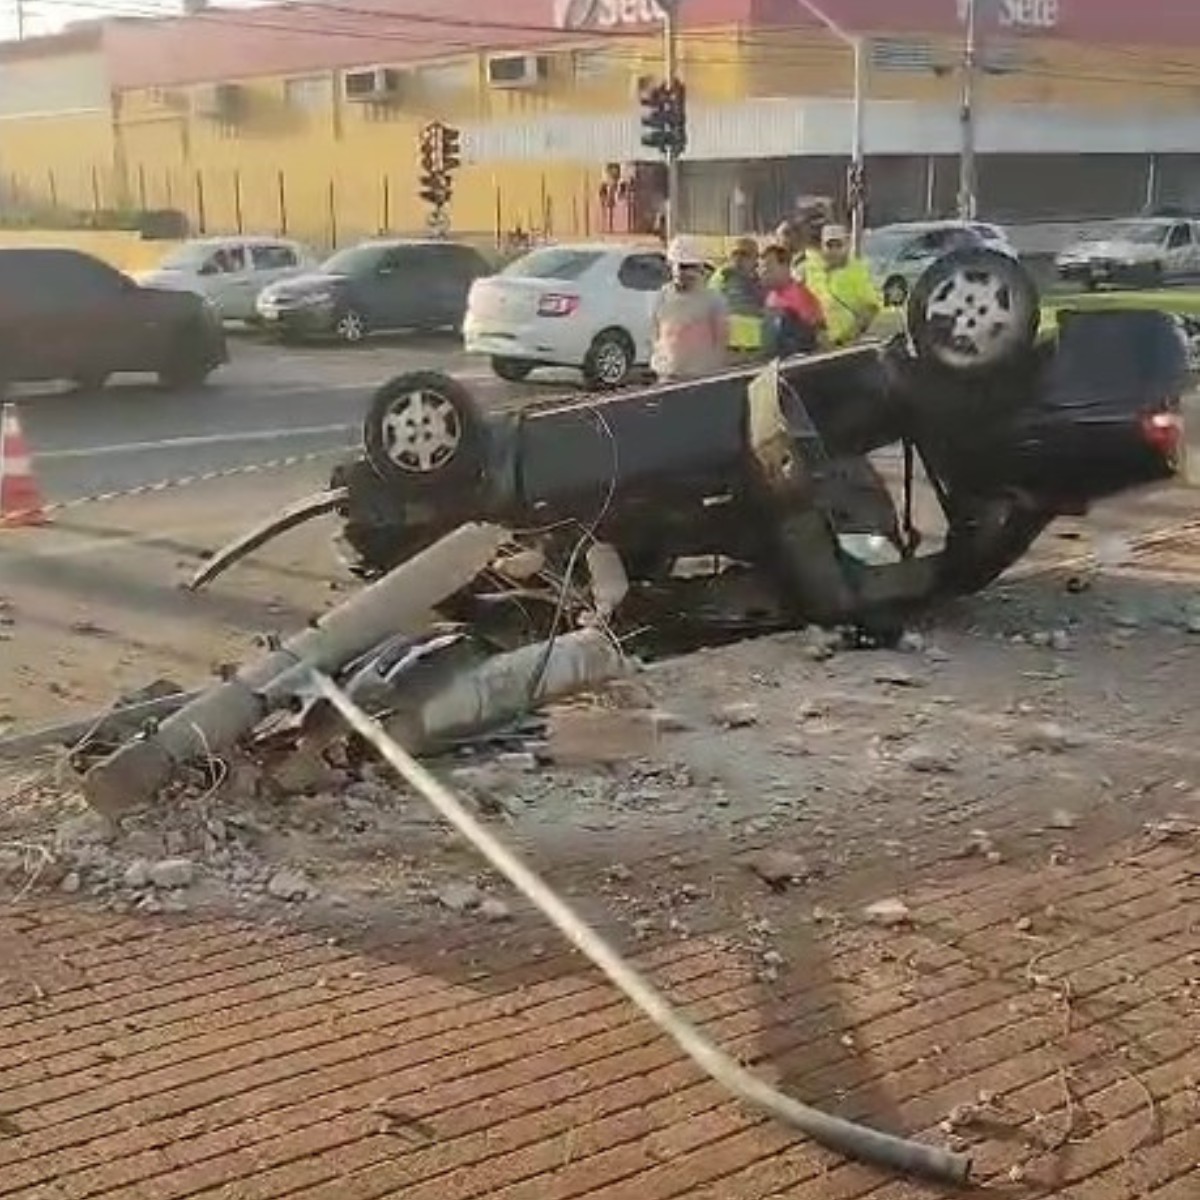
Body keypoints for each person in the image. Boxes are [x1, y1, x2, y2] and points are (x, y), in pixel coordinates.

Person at [650, 235, 729, 381]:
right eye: (678, 266)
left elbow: (721, 341)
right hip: (668, 376)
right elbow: (655, 331)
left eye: (687, 267)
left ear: (699, 268)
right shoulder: (664, 295)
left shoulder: (713, 300)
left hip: (700, 379)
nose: (682, 273)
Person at [805, 223, 882, 347]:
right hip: (821, 347)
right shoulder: (813, 272)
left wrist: (850, 335)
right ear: (822, 247)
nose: (834, 251)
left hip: (849, 345)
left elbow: (871, 308)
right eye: (829, 246)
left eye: (838, 245)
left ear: (846, 246)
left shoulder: (857, 270)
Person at [758, 242, 826, 357]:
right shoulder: (770, 295)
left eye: (768, 267)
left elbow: (817, 339)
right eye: (760, 267)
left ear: (785, 267)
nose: (762, 272)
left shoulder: (802, 297)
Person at [709, 236, 765, 361]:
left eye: (745, 255)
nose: (739, 258)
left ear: (755, 258)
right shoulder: (720, 277)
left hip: (755, 349)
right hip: (729, 348)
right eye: (736, 254)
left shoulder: (762, 280)